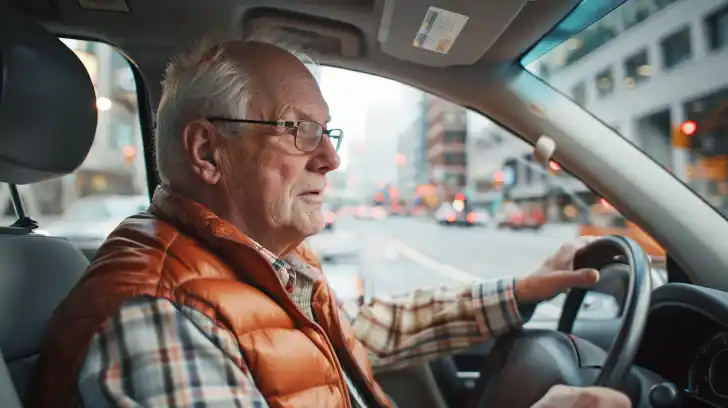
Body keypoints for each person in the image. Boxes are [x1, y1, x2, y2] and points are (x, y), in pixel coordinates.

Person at [26, 39, 630, 408]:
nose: (330, 158)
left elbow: (354, 335)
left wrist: (519, 291)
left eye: (327, 132)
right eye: (298, 130)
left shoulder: (252, 260)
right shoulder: (157, 317)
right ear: (209, 153)